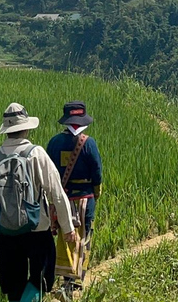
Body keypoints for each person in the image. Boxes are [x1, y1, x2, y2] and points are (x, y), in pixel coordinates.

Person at [0, 103, 77, 302]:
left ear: (7, 131)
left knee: (13, 285)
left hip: (5, 232)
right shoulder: (36, 153)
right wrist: (67, 226)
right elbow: (56, 193)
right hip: (37, 229)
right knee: (42, 278)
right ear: (26, 128)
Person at [46, 101, 103, 289]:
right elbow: (97, 173)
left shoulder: (54, 143)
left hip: (60, 200)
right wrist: (97, 191)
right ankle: (76, 280)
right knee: (84, 237)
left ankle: (64, 279)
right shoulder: (89, 143)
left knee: (64, 237)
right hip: (84, 199)